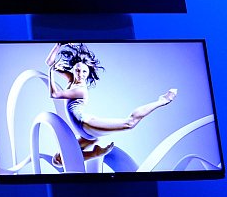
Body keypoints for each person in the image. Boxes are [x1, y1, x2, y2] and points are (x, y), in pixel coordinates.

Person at [44, 41, 177, 168]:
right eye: (78, 70)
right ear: (73, 70)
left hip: (85, 124)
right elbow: (49, 62)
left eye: (84, 72)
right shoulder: (71, 79)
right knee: (58, 160)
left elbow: (55, 94)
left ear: (88, 73)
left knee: (129, 123)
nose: (81, 75)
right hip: (85, 134)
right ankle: (94, 153)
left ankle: (162, 101)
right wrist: (59, 45)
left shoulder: (80, 90)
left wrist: (50, 71)